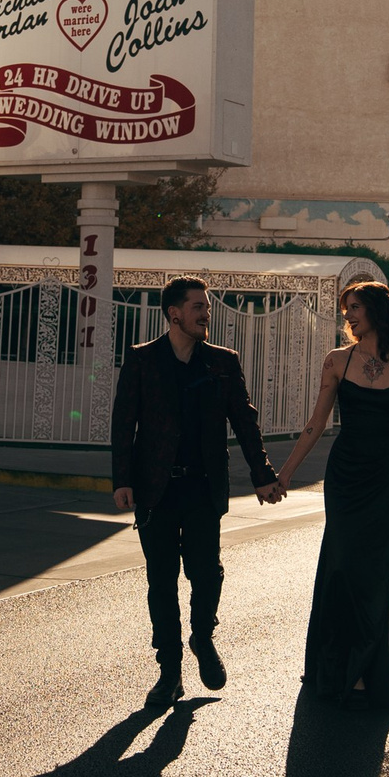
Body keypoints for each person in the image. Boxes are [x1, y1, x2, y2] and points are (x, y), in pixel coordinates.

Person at [111, 277, 285, 709]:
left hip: (204, 488)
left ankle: (202, 637)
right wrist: (122, 479)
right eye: (196, 307)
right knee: (161, 581)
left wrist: (262, 474)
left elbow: (245, 422)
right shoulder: (143, 360)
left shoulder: (222, 362)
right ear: (174, 313)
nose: (205, 313)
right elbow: (123, 423)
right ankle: (169, 672)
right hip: (156, 489)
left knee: (207, 573)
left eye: (205, 307)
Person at [274, 279, 389, 711]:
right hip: (345, 476)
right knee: (342, 566)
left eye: (355, 307)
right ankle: (332, 664)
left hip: (384, 476)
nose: (348, 315)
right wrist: (285, 474)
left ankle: (369, 670)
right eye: (346, 308)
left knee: (376, 572)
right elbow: (315, 424)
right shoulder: (337, 361)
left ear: (377, 311)